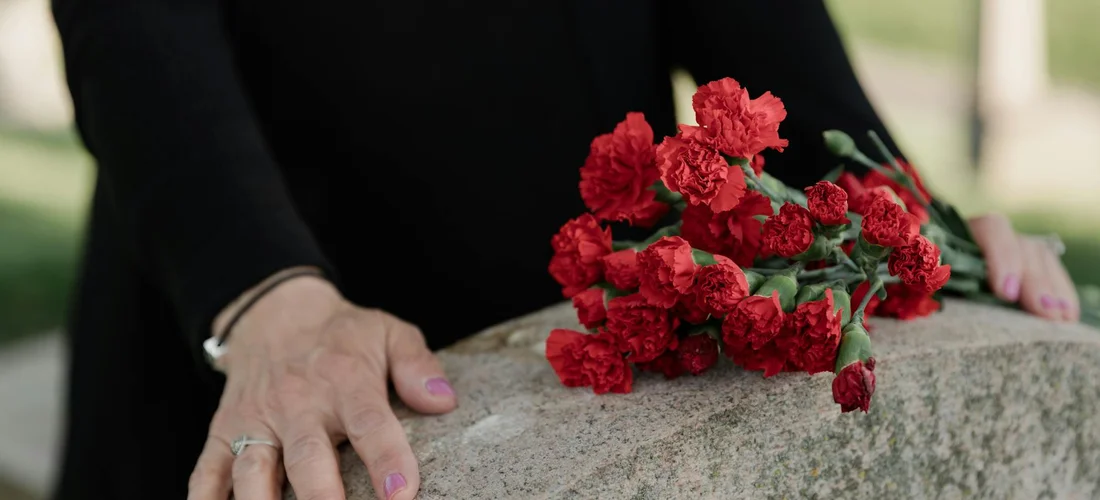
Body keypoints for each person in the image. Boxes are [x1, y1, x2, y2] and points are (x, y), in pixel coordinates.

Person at [49, 1, 1079, 498]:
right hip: (252, 318)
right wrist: (264, 296)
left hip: (578, 310)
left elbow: (767, 43)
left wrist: (891, 214)